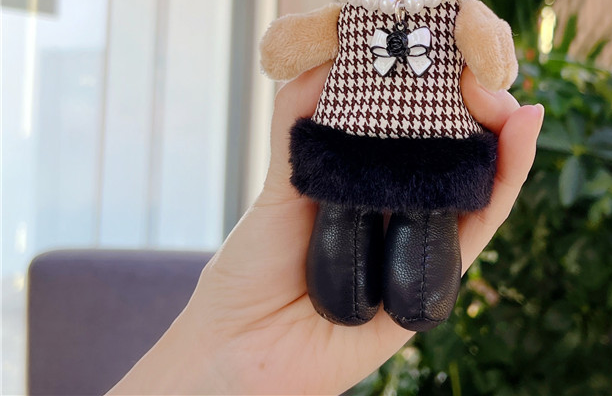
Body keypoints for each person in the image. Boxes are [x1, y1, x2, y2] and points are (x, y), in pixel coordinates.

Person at [109, 64, 543, 396]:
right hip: (366, 141)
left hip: (414, 143)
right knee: (352, 210)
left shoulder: (447, 15)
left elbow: (493, 57)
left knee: (415, 214)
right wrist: (221, 356)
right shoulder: (351, 19)